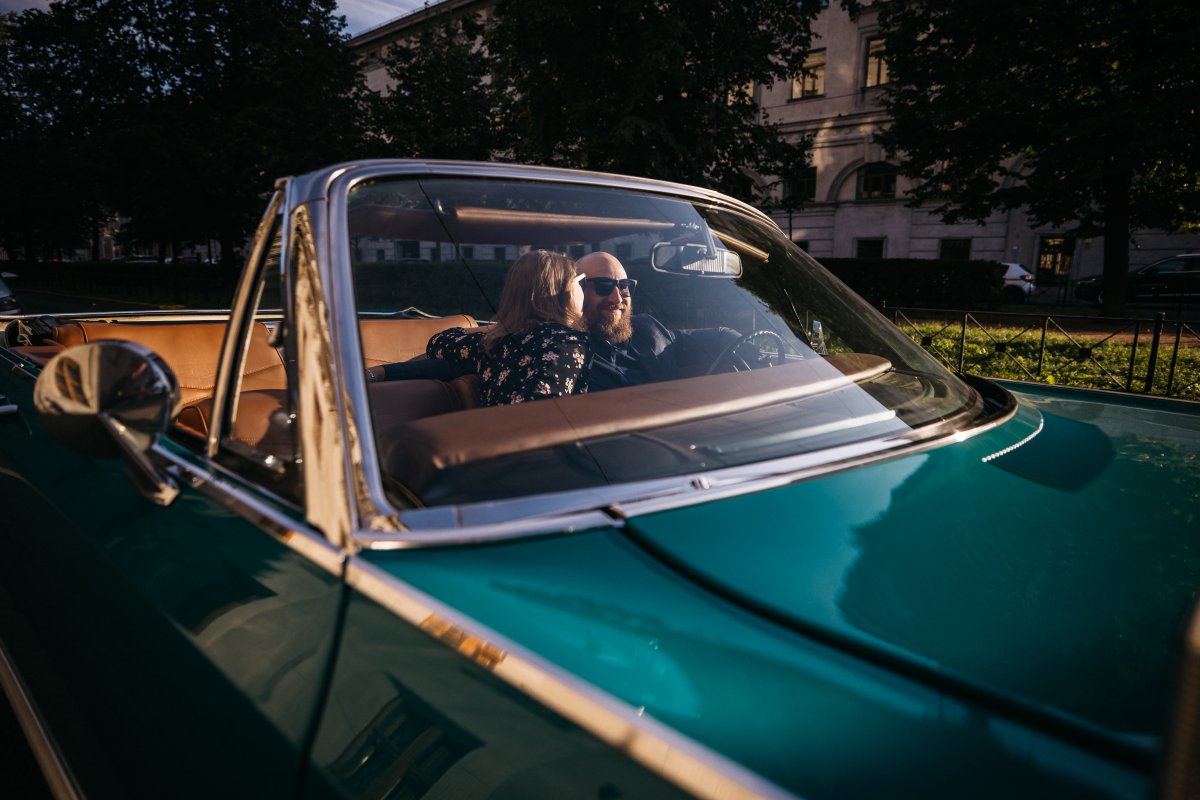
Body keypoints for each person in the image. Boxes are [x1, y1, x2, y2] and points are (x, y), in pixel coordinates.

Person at [425, 249, 590, 406]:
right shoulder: (569, 343)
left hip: (492, 425)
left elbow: (438, 342)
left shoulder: (494, 344)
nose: (583, 290)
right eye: (580, 281)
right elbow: (542, 416)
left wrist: (502, 328)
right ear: (566, 292)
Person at [575, 251, 735, 390]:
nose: (617, 298)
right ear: (577, 291)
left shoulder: (648, 331)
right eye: (603, 286)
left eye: (624, 286)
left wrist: (751, 353)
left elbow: (722, 337)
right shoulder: (569, 357)